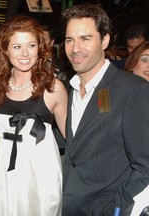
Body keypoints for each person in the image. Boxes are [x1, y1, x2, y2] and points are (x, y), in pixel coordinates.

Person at [60, 3, 149, 215]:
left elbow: (144, 166)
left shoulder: (134, 90)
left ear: (105, 40)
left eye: (85, 39)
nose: (75, 48)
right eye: (69, 40)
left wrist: (116, 209)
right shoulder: (69, 88)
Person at [0, 15, 68, 216]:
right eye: (17, 47)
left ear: (39, 48)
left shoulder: (53, 88)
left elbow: (72, 139)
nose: (25, 53)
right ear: (5, 49)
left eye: (31, 45)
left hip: (40, 174)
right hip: (5, 171)